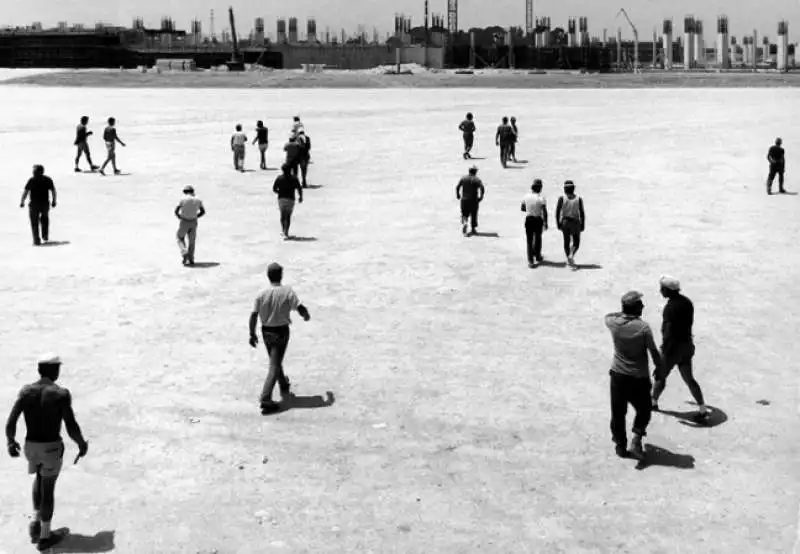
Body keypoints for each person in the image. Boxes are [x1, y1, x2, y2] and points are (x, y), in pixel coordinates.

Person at [5, 354, 89, 551]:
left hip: (30, 447)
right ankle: (45, 535)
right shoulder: (60, 394)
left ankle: (35, 521)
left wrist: (10, 441)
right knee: (48, 488)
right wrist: (81, 444)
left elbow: (11, 422)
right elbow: (70, 424)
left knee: (39, 479)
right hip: (51, 448)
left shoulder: (26, 392)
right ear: (53, 371)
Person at [605, 292, 663, 460]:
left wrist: (623, 314)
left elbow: (608, 315)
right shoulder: (643, 328)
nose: (643, 306)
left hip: (618, 375)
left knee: (618, 413)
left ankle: (620, 445)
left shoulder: (613, 323)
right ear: (635, 308)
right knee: (644, 409)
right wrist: (660, 369)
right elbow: (653, 352)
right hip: (638, 377)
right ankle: (636, 439)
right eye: (640, 304)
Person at [249, 263, 311, 414]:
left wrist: (252, 333)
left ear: (268, 276)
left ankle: (283, 384)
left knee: (275, 358)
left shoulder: (261, 294)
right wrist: (305, 315)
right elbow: (299, 307)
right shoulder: (287, 292)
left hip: (266, 331)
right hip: (281, 331)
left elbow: (253, 315)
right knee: (275, 364)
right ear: (281, 275)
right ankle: (265, 397)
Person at [651, 276, 710, 422]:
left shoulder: (670, 308)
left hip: (673, 348)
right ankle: (703, 409)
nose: (660, 291)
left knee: (660, 375)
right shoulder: (687, 302)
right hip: (687, 346)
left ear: (668, 290)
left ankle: (653, 403)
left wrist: (663, 354)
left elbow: (668, 332)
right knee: (690, 379)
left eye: (662, 289)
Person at [19, 165, 56, 246]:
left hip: (37, 204)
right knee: (43, 220)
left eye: (35, 172)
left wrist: (22, 201)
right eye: (33, 172)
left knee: (36, 221)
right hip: (41, 204)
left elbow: (26, 192)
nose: (33, 173)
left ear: (40, 172)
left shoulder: (32, 180)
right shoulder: (46, 180)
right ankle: (41, 237)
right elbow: (53, 190)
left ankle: (38, 239)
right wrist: (54, 201)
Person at [555, 181, 585, 267]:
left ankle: (568, 258)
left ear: (564, 189)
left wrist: (558, 223)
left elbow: (557, 212)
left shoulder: (561, 198)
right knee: (576, 242)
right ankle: (571, 255)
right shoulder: (579, 199)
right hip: (575, 222)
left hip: (565, 222)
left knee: (566, 241)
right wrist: (583, 224)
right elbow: (582, 213)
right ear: (573, 189)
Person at [174, 185, 206, 266]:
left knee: (179, 237)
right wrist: (196, 216)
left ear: (184, 192)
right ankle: (191, 259)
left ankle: (184, 252)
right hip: (193, 222)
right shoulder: (198, 200)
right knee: (192, 241)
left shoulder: (182, 199)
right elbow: (203, 212)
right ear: (193, 192)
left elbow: (176, 211)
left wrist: (179, 216)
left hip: (184, 221)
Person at [521, 179, 548, 268]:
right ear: (539, 188)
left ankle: (530, 261)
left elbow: (523, 208)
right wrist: (546, 222)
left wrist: (530, 209)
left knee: (529, 241)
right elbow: (544, 211)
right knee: (538, 238)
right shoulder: (541, 198)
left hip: (529, 219)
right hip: (538, 219)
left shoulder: (526, 196)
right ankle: (538, 256)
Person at [272, 164, 304, 239]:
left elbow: (274, 188)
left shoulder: (279, 178)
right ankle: (286, 231)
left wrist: (279, 192)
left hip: (281, 198)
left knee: (282, 215)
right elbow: (299, 188)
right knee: (288, 216)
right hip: (290, 199)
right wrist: (300, 197)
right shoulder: (294, 178)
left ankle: (283, 229)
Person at [456, 165, 485, 236]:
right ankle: (473, 229)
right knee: (474, 214)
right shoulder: (477, 179)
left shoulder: (463, 178)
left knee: (464, 214)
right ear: (475, 172)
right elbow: (482, 187)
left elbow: (457, 187)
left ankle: (465, 224)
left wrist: (458, 195)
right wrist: (481, 196)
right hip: (474, 200)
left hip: (464, 200)